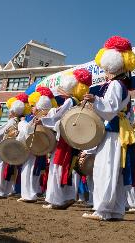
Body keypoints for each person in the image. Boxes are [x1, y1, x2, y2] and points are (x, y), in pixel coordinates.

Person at [82, 36, 135, 221]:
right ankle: (116, 210)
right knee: (117, 172)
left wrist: (95, 100)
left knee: (105, 169)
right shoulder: (123, 86)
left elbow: (110, 108)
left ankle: (102, 209)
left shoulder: (115, 84)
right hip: (120, 133)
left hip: (113, 133)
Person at [39, 68, 92, 209]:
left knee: (58, 165)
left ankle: (55, 199)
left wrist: (43, 120)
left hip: (65, 138)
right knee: (66, 167)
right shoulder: (78, 101)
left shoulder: (70, 101)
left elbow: (57, 116)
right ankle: (66, 196)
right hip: (72, 138)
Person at [0, 93, 32, 198]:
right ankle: (3, 191)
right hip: (12, 148)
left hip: (6, 148)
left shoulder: (13, 121)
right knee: (8, 170)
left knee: (1, 169)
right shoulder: (20, 121)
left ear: (13, 112)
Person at [17, 86, 57, 203]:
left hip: (35, 146)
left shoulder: (42, 118)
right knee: (31, 170)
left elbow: (27, 131)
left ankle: (30, 195)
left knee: (31, 170)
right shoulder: (37, 118)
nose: (32, 108)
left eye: (34, 105)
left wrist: (23, 124)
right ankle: (28, 194)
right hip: (35, 146)